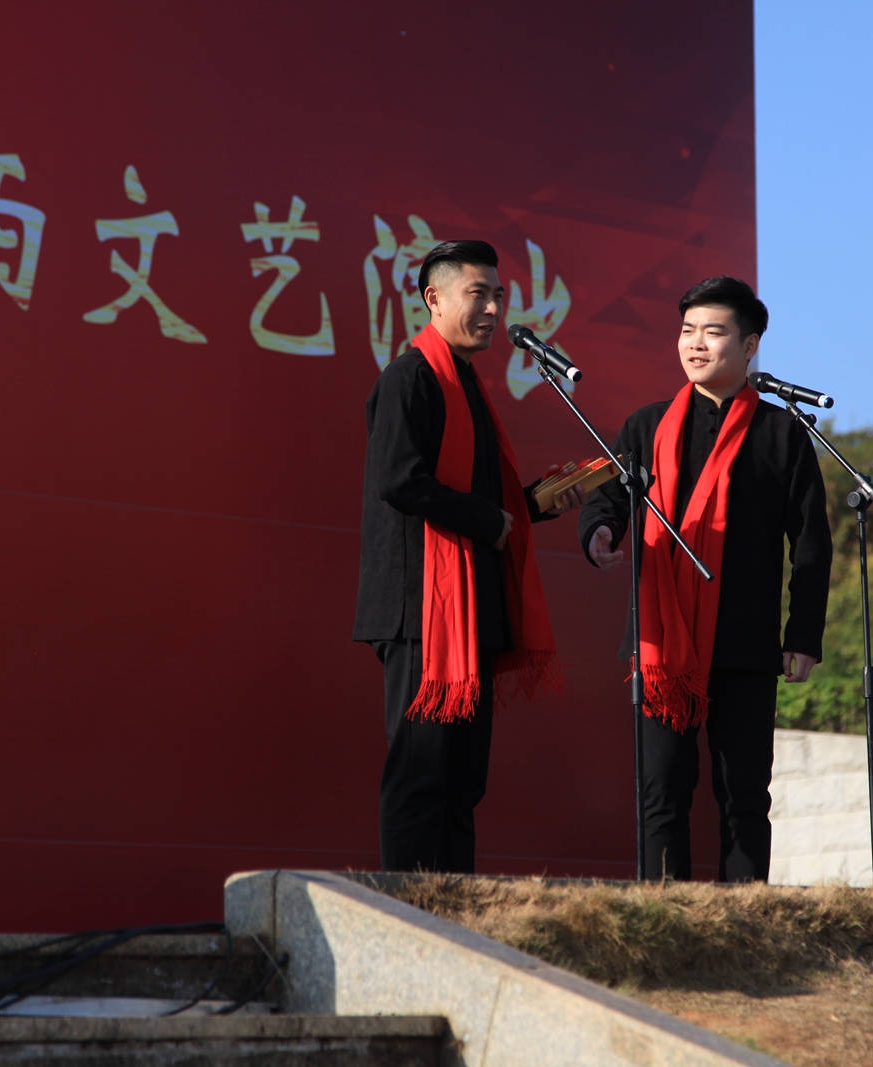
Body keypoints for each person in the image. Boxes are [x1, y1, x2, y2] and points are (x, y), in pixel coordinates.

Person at [576, 276, 833, 882]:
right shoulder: (645, 427)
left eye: (713, 332)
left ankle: (746, 923)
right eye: (687, 331)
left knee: (744, 797)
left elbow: (813, 543)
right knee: (661, 792)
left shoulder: (783, 435)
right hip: (661, 643)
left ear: (750, 347)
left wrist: (803, 634)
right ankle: (663, 919)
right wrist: (599, 535)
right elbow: (604, 501)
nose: (695, 344)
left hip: (743, 643)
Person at [353, 240, 586, 873]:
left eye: (498, 294)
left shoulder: (469, 388)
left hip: (468, 611)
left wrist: (540, 504)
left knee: (462, 781)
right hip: (419, 607)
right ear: (434, 298)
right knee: (420, 771)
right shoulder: (410, 377)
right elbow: (400, 480)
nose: (491, 308)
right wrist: (490, 517)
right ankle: (408, 912)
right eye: (476, 294)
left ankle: (457, 915)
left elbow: (488, 502)